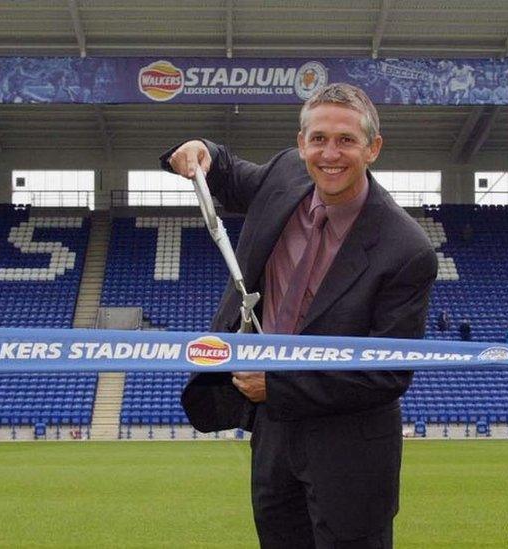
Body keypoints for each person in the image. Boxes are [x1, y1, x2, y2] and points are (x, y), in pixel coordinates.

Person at [162, 83, 437, 548]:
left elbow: (389, 372)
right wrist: (201, 149)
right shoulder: (285, 175)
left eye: (347, 140)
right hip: (273, 433)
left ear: (373, 148)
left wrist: (278, 385)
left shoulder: (406, 249)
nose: (330, 153)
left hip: (351, 450)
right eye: (319, 138)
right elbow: (226, 171)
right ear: (300, 143)